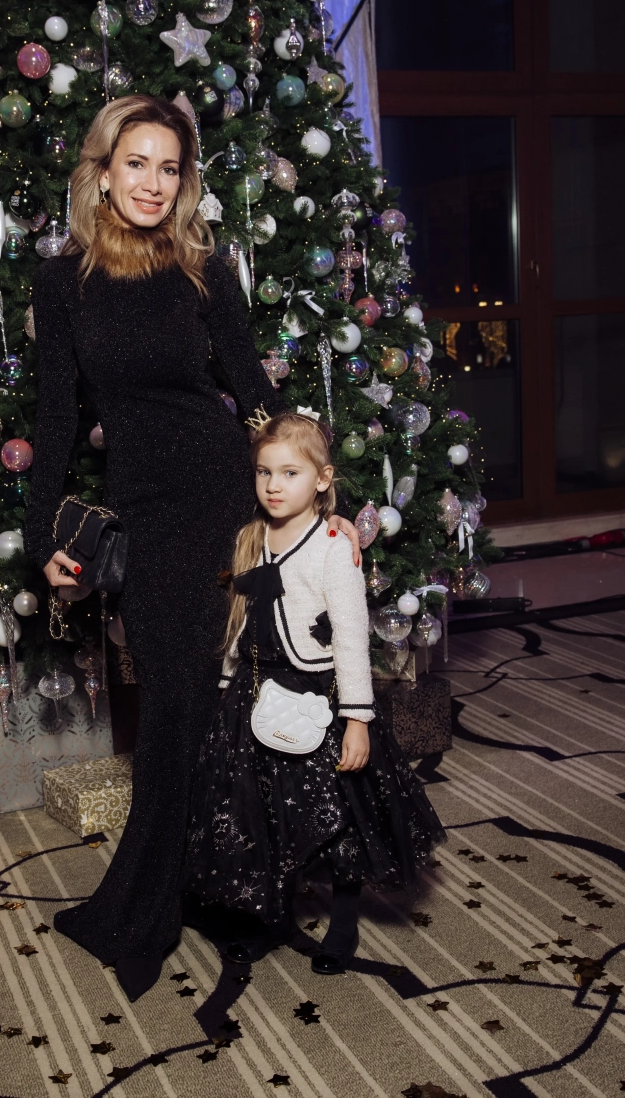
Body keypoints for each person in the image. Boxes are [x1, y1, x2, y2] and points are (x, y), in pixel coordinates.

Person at [24, 96, 360, 1001]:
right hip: (147, 509)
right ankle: (156, 899)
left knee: (228, 696)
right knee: (173, 696)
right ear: (102, 173)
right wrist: (41, 535)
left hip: (225, 499)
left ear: (185, 181)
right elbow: (56, 420)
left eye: (169, 168)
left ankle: (209, 887)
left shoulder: (206, 272)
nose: (152, 183)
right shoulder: (61, 283)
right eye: (136, 163)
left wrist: (316, 501)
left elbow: (253, 393)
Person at [184, 411, 446, 973]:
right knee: (259, 810)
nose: (274, 485)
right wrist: (228, 680)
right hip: (255, 691)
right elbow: (240, 619)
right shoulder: (251, 537)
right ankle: (271, 917)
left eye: (290, 473)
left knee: (339, 811)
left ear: (323, 479)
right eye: (264, 472)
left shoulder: (332, 547)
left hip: (319, 695)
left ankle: (344, 920)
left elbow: (351, 637)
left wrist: (357, 720)